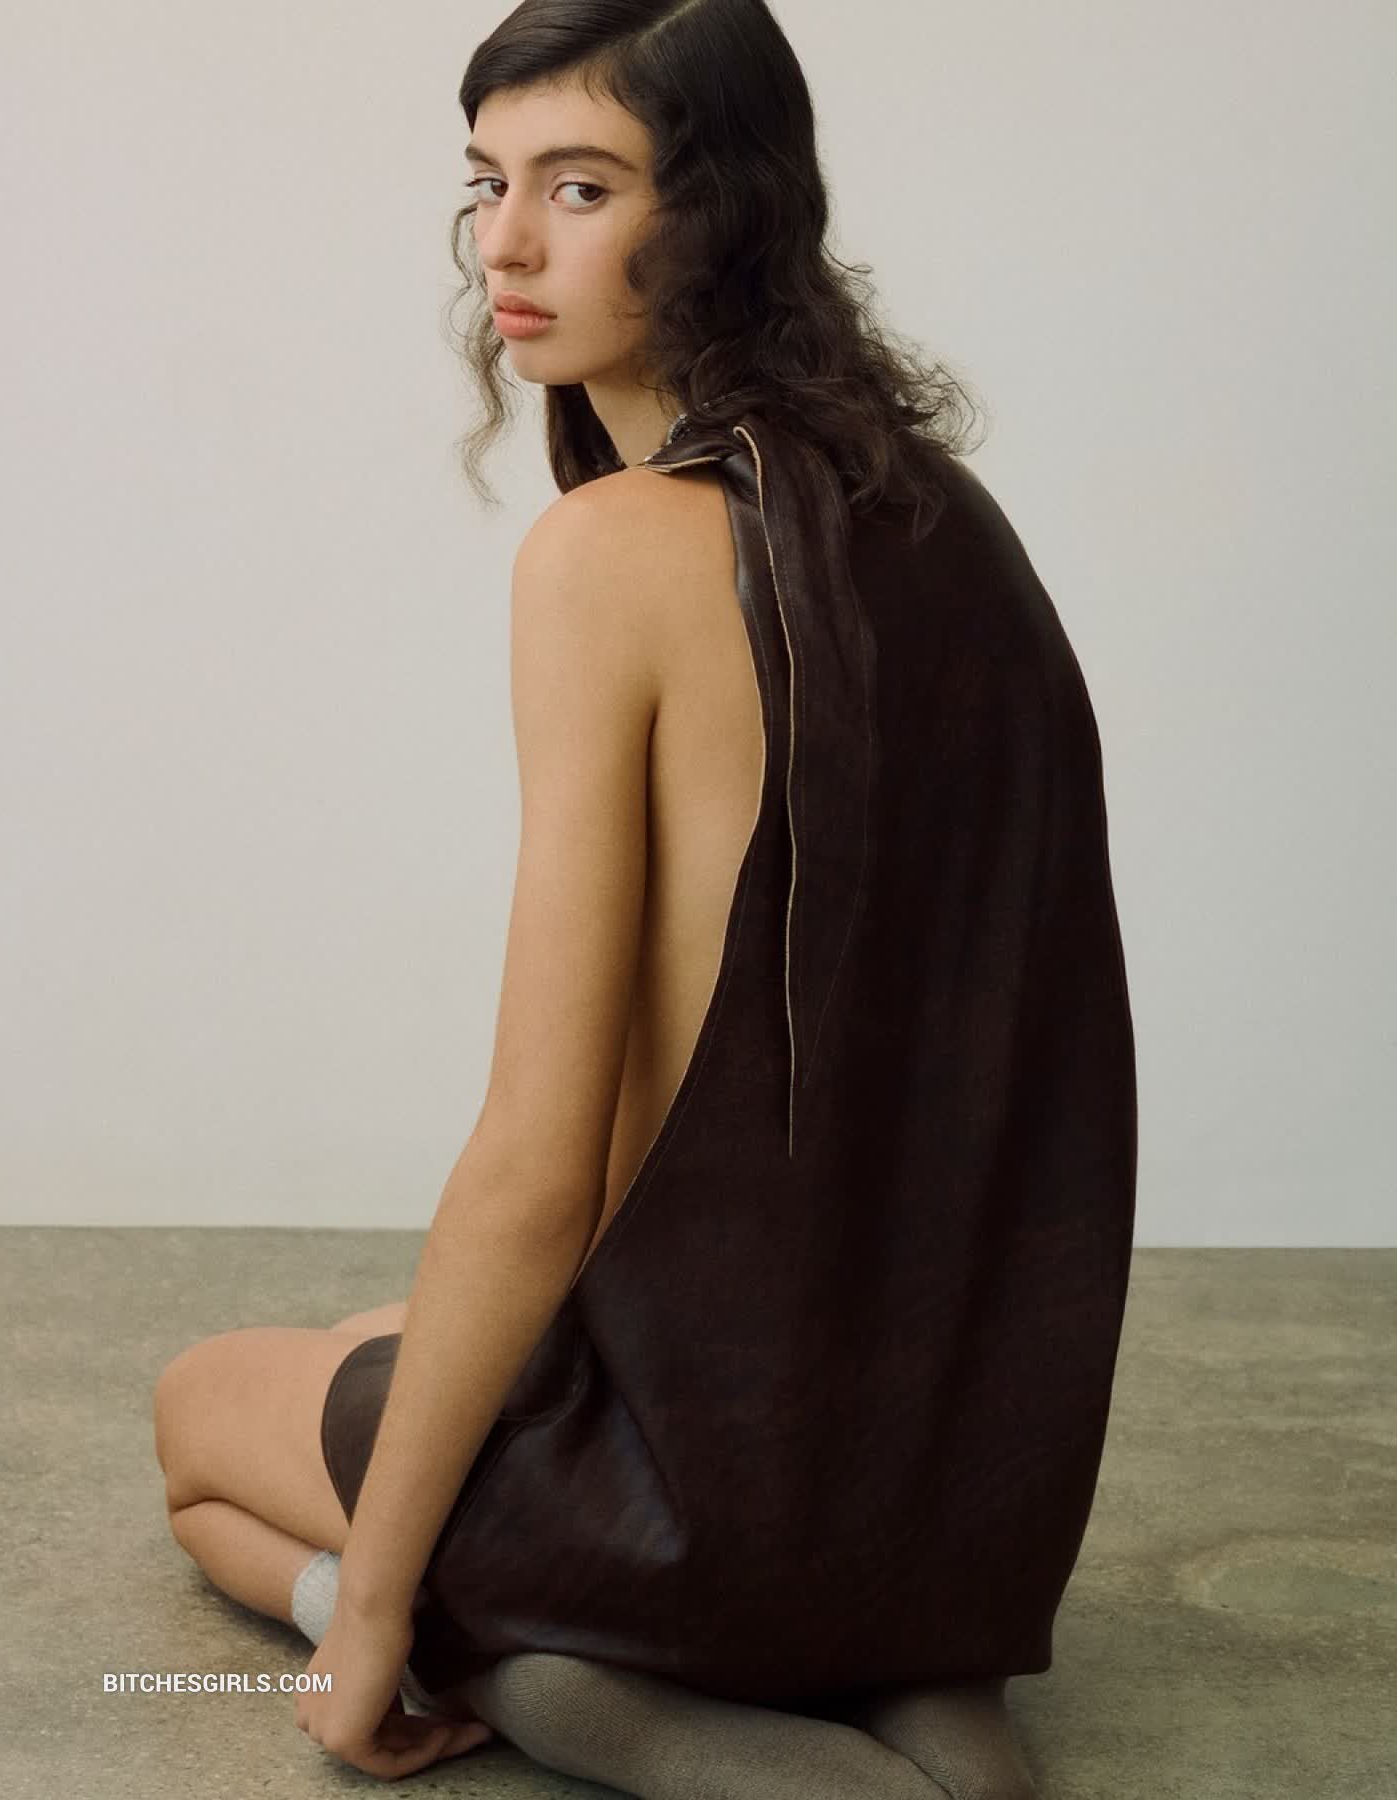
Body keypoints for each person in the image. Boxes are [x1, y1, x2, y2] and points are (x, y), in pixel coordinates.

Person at [152, 2, 1137, 1793]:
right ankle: (910, 1695)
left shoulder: (609, 553)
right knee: (380, 1343)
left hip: (703, 1512)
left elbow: (543, 1165)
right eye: (490, 185)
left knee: (204, 1417)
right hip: (958, 1514)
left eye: (583, 186)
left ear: (724, 214)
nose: (509, 248)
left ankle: (544, 1673)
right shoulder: (947, 519)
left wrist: (373, 1609)